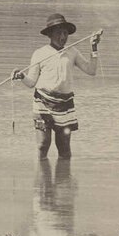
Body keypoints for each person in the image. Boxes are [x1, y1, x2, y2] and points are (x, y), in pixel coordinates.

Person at [13, 14, 102, 159]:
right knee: (42, 144)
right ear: (50, 34)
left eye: (65, 33)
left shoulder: (72, 52)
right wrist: (21, 76)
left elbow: (91, 71)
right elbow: (31, 83)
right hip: (42, 102)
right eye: (58, 33)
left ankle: (63, 182)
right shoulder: (40, 54)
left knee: (64, 149)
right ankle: (42, 179)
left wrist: (94, 47)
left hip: (65, 105)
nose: (63, 36)